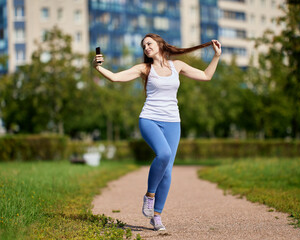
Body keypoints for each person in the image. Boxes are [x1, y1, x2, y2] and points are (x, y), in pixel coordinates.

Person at [93, 33, 221, 231]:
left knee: (168, 171)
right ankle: (149, 195)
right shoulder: (145, 68)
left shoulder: (176, 66)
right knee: (164, 154)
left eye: (149, 43)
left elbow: (206, 76)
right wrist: (98, 67)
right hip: (149, 119)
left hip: (173, 122)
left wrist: (216, 56)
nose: (146, 48)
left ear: (160, 44)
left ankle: (157, 217)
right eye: (143, 46)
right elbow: (116, 78)